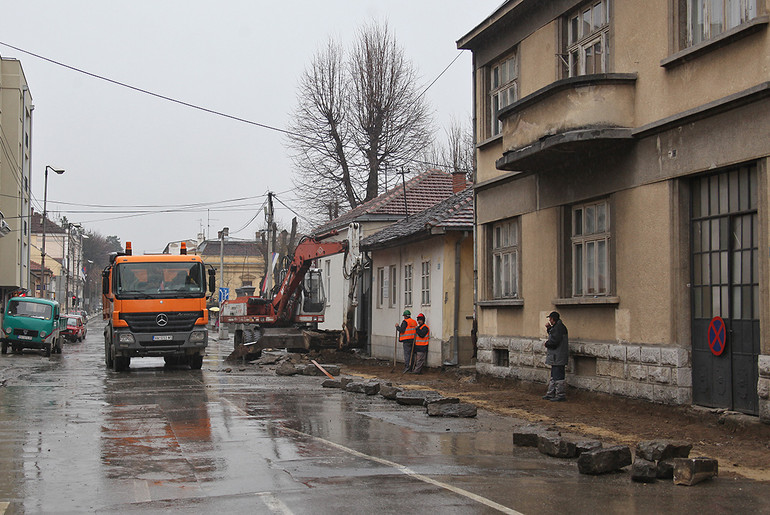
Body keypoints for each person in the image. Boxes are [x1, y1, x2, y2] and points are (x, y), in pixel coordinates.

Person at [543, 311, 569, 402]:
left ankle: (560, 395)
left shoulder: (558, 328)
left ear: (553, 319)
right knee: (554, 376)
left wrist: (547, 344)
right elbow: (554, 334)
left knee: (558, 376)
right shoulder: (558, 327)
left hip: (558, 356)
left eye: (550, 318)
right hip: (557, 356)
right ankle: (551, 393)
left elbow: (554, 341)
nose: (549, 320)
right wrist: (549, 328)